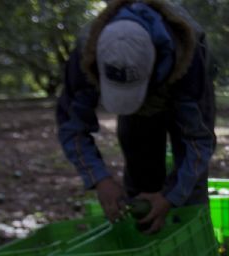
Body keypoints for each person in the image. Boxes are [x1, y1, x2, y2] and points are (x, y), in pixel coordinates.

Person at [56, 0, 216, 233]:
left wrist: (171, 197)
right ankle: (144, 238)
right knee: (141, 173)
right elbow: (72, 127)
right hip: (147, 78)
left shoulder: (187, 54)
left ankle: (190, 240)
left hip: (183, 77)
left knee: (189, 192)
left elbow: (197, 141)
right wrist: (100, 179)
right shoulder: (85, 53)